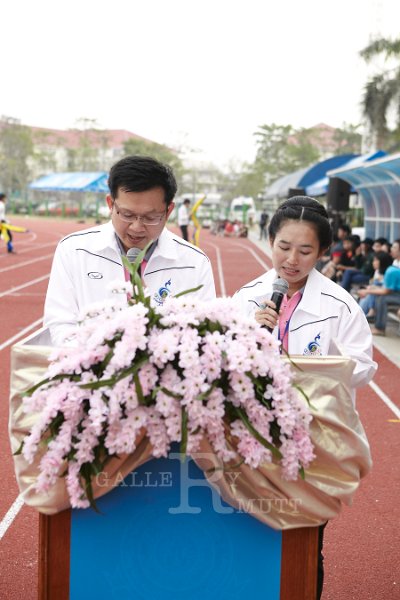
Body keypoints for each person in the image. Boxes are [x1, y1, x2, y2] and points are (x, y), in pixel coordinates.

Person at [233, 195, 377, 600]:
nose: (291, 260)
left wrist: (319, 369)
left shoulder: (339, 305)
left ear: (322, 252)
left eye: (305, 250)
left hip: (313, 440)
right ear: (270, 240)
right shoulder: (246, 298)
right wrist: (248, 335)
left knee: (304, 539)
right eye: (283, 246)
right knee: (253, 534)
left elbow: (363, 366)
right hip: (254, 438)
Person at [44, 156, 216, 347]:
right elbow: (58, 325)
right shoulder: (74, 251)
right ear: (110, 204)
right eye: (127, 215)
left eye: (151, 217)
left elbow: (204, 335)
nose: (136, 227)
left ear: (168, 211)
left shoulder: (194, 263)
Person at [357, 239, 400, 336]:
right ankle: (370, 317)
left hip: (397, 294)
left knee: (382, 298)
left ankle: (379, 328)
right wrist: (369, 290)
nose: (391, 249)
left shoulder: (391, 271)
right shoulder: (393, 265)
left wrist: (368, 292)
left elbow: (386, 291)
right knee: (377, 291)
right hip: (396, 293)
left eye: (394, 247)